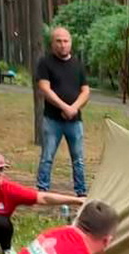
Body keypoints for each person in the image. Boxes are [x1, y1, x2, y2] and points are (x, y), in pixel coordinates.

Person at [34, 27, 90, 196]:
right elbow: (44, 88)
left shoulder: (78, 64)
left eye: (66, 41)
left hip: (75, 120)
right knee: (47, 157)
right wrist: (64, 107)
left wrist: (74, 108)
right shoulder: (45, 63)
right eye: (58, 41)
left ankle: (81, 191)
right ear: (52, 43)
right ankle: (42, 189)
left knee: (78, 159)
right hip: (53, 120)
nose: (62, 45)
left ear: (70, 43)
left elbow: (85, 91)